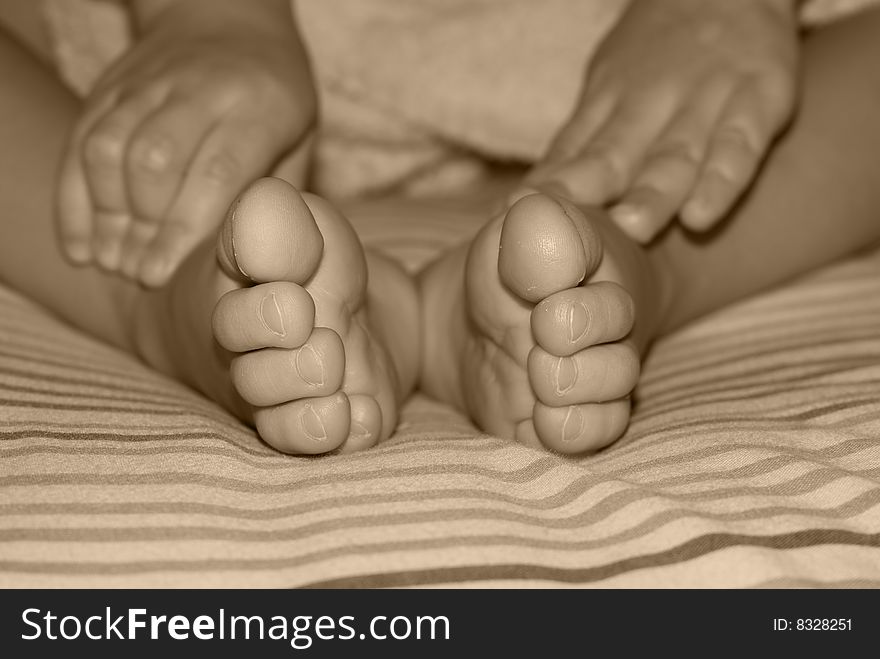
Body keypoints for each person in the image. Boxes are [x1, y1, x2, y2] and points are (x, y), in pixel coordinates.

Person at [1, 0, 880, 456]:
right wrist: (214, 19)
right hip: (211, 54)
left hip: (645, 51)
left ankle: (626, 252)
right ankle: (182, 285)